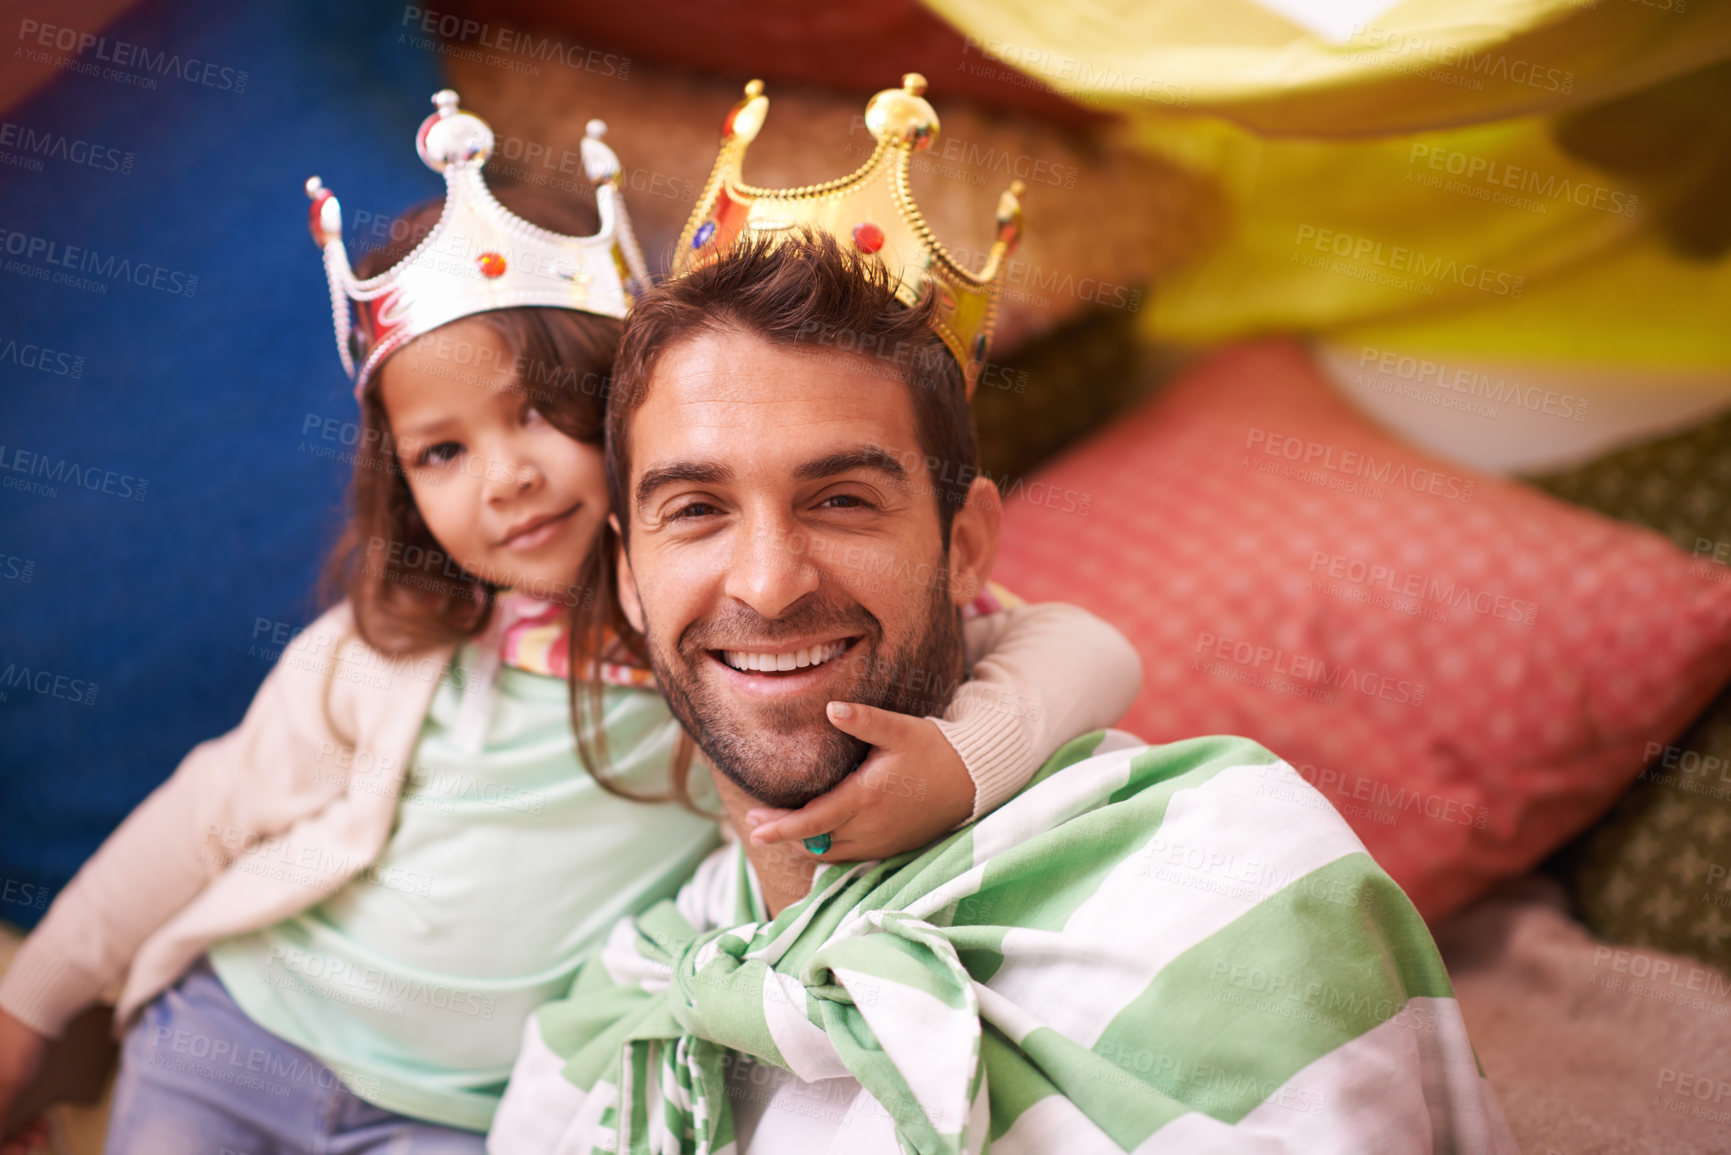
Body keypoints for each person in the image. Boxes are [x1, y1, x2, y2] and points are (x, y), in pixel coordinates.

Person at [0, 94, 1141, 1152]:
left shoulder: (748, 642)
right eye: (442, 451)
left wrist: (959, 761)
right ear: (399, 483)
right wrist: (29, 1008)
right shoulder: (394, 657)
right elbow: (204, 814)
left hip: (457, 1124)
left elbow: (1090, 651)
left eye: (545, 414)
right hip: (240, 1038)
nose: (505, 478)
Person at [488, 227, 1520, 1154]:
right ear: (627, 575)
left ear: (967, 543)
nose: (767, 583)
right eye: (698, 509)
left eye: (842, 500)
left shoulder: (1241, 879)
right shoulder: (625, 994)